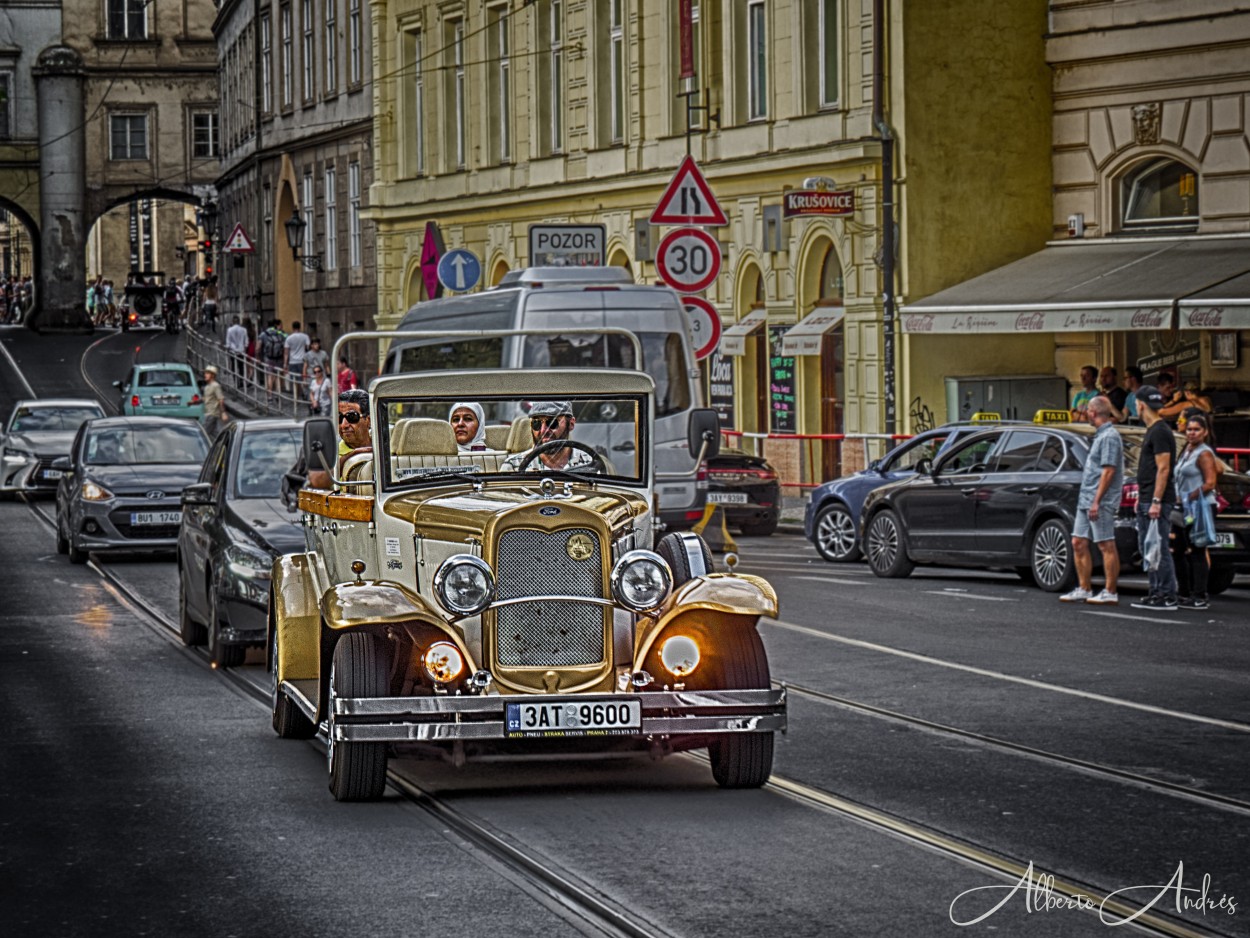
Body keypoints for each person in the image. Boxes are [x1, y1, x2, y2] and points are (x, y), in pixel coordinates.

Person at [1060, 396, 1124, 605]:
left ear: (1094, 413)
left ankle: (1110, 590)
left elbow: (1108, 471)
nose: (1086, 413)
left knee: (1105, 543)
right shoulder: (1100, 436)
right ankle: (1084, 587)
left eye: (1088, 410)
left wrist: (1097, 501)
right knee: (1078, 541)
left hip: (1099, 500)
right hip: (1086, 497)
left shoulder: (1109, 437)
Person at [1130, 384, 1179, 611]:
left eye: (1136, 404)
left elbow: (1163, 468)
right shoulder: (1154, 429)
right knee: (1148, 547)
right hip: (1148, 497)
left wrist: (1157, 501)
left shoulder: (1159, 431)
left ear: (1140, 405)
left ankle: (1166, 594)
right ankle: (1155, 591)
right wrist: (1142, 497)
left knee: (1157, 546)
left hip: (1157, 500)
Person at [1171, 411, 1219, 610]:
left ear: (1205, 432)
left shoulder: (1204, 453)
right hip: (1182, 507)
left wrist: (1188, 496)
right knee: (1177, 549)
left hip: (1200, 506)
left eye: (1196, 430)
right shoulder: (1186, 450)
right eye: (1189, 429)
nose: (1192, 433)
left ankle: (1200, 595)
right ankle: (1184, 592)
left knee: (1198, 549)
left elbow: (1210, 483)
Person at [501, 401, 597, 471]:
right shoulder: (513, 467)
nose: (543, 430)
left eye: (552, 422)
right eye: (536, 423)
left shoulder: (590, 463)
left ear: (571, 424)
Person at [259, 318, 287, 400]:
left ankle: (270, 396)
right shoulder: (281, 333)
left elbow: (258, 347)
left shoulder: (264, 334)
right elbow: (287, 341)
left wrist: (258, 357)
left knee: (270, 376)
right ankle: (278, 395)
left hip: (269, 358)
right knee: (278, 376)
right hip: (279, 358)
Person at [201, 364, 228, 441]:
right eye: (205, 373)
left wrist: (223, 413)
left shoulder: (216, 386)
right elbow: (205, 398)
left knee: (203, 433)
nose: (205, 375)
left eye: (207, 373)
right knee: (215, 433)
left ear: (212, 375)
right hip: (208, 413)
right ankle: (226, 442)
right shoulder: (207, 387)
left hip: (212, 414)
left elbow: (221, 399)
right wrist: (194, 402)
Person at [283, 321, 311, 395]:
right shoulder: (305, 336)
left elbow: (286, 352)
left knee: (294, 380)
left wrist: (285, 364)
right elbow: (307, 348)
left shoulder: (288, 338)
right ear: (300, 327)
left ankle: (296, 395)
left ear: (292, 328)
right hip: (302, 360)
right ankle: (304, 393)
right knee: (302, 378)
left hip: (292, 362)